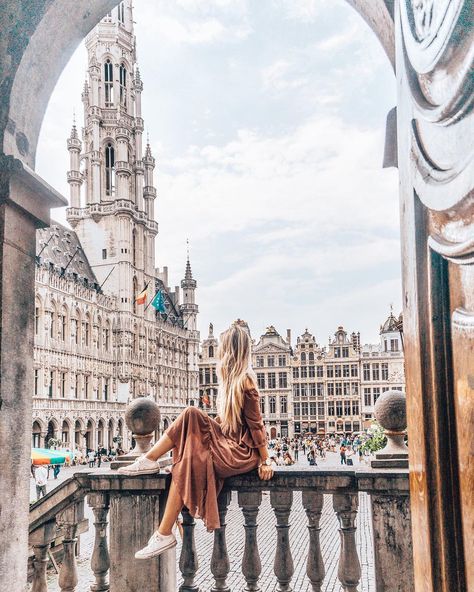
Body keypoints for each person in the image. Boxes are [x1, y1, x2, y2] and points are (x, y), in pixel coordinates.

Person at [118, 322, 274, 559]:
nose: (219, 352)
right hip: (229, 446)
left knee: (191, 414)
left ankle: (149, 460)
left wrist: (266, 460)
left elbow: (256, 425)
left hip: (241, 453)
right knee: (184, 460)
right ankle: (164, 533)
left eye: (222, 348)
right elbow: (223, 423)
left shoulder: (246, 381)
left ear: (230, 351)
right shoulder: (231, 381)